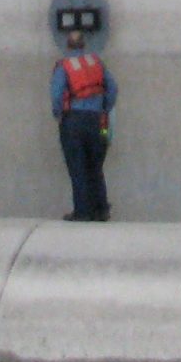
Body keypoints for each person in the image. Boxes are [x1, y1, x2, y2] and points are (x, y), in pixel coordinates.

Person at [50, 30, 117, 222]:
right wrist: (104, 106)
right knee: (95, 166)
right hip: (98, 120)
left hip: (73, 120)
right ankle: (101, 209)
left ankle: (82, 210)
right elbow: (112, 88)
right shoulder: (96, 63)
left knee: (77, 166)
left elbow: (56, 95)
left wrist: (58, 114)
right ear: (84, 45)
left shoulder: (64, 66)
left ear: (68, 46)